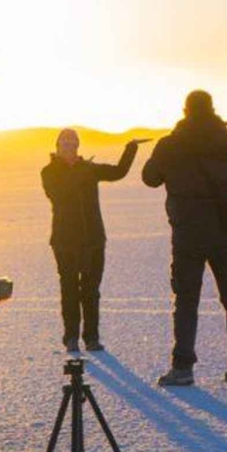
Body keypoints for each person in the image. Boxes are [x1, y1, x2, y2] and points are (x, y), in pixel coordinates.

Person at [141, 90, 227, 385]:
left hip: (188, 234)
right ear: (212, 108)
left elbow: (150, 178)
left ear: (185, 111)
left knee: (186, 300)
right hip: (226, 231)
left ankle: (183, 367)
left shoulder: (170, 145)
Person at [41, 129, 140, 353]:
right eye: (65, 142)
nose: (69, 145)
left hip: (93, 240)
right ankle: (71, 337)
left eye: (72, 142)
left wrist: (130, 149)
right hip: (65, 242)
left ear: (78, 145)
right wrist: (80, 171)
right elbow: (58, 194)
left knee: (91, 291)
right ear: (57, 146)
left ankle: (92, 338)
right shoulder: (49, 171)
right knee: (69, 290)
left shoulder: (89, 169)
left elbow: (119, 172)